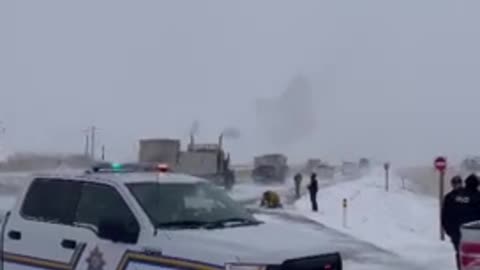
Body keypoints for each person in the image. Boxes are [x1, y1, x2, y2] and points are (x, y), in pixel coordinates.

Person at [442, 174, 480, 270]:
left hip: (457, 232)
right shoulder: (478, 197)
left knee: (460, 253)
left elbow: (445, 215)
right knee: (475, 256)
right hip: (475, 234)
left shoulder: (452, 196)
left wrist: (449, 231)